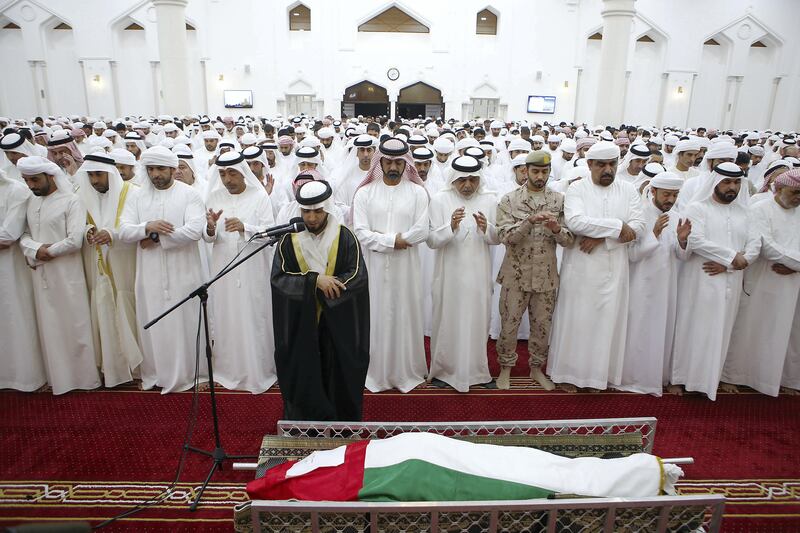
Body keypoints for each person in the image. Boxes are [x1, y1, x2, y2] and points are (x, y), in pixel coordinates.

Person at [548, 141, 645, 392]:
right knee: (577, 321)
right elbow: (577, 222)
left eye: (612, 164)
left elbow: (638, 228)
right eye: (601, 165)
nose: (607, 170)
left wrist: (604, 236)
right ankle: (568, 375)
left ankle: (598, 379)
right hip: (582, 267)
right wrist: (617, 227)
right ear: (589, 164)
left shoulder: (629, 190)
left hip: (614, 268)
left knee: (606, 323)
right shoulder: (578, 188)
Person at [271, 180, 369, 420]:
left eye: (317, 211)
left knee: (339, 377)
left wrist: (331, 287)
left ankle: (341, 424)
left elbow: (357, 276)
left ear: (327, 208)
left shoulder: (345, 237)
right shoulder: (287, 240)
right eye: (306, 211)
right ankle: (303, 423)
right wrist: (315, 281)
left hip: (337, 324)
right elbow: (279, 279)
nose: (312, 217)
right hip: (301, 325)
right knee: (302, 375)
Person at [118, 146, 208, 393]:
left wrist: (156, 238)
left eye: (160, 169)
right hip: (149, 274)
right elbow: (124, 231)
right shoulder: (137, 197)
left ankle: (189, 373)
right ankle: (157, 373)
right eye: (151, 169)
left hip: (184, 271)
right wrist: (148, 226)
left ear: (173, 169)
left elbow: (194, 231)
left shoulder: (190, 194)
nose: (156, 174)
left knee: (183, 322)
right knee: (154, 321)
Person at [671, 163, 761, 400]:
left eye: (736, 183)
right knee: (696, 330)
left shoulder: (746, 212)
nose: (732, 187)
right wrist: (732, 256)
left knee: (722, 331)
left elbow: (755, 244)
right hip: (702, 279)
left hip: (731, 279)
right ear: (715, 182)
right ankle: (685, 379)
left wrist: (732, 264)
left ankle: (710, 380)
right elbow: (697, 241)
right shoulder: (697, 208)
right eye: (727, 182)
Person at [18, 156, 101, 394]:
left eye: (35, 180)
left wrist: (47, 252)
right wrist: (35, 251)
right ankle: (59, 379)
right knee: (50, 327)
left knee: (74, 325)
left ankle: (84, 380)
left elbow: (75, 240)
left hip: (67, 273)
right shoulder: (31, 202)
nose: (32, 186)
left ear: (50, 176)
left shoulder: (72, 201)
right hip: (40, 272)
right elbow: (23, 234)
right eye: (27, 181)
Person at [352, 138, 429, 392]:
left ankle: (406, 372)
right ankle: (376, 373)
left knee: (405, 315)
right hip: (374, 269)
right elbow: (360, 232)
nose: (393, 166)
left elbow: (422, 230)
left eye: (398, 162)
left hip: (406, 270)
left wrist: (399, 240)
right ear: (380, 162)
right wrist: (392, 241)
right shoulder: (364, 193)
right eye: (388, 161)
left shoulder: (418, 192)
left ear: (406, 163)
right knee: (376, 315)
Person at [495, 151, 574, 390]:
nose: (540, 176)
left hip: (546, 276)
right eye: (535, 171)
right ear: (525, 171)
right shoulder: (509, 200)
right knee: (509, 323)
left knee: (542, 325)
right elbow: (505, 237)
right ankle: (505, 369)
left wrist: (555, 228)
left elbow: (569, 240)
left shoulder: (559, 201)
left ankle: (536, 369)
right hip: (515, 275)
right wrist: (528, 222)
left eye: (545, 171)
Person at [203, 151, 277, 393]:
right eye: (222, 174)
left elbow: (271, 233)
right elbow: (207, 237)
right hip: (223, 269)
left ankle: (259, 371)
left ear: (243, 172)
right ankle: (228, 371)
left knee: (254, 316)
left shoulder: (259, 196)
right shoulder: (213, 196)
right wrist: (211, 228)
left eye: (232, 172)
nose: (227, 179)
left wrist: (246, 227)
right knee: (226, 316)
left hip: (252, 268)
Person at [722, 169, 800, 396]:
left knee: (784, 332)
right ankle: (733, 376)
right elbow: (768, 247)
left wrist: (795, 266)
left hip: (791, 284)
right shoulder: (760, 209)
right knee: (749, 328)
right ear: (778, 188)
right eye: (794, 192)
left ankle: (779, 379)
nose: (797, 198)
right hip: (761, 280)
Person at [426, 156, 499, 392]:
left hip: (478, 275)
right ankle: (443, 371)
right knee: (448, 320)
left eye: (472, 180)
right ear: (453, 180)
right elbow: (432, 241)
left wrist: (487, 227)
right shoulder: (439, 200)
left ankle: (477, 371)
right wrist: (451, 227)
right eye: (462, 180)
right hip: (449, 277)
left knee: (478, 321)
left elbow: (498, 238)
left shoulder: (489, 199)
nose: (467, 185)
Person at [619, 173, 691, 396]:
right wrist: (654, 234)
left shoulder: (678, 216)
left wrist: (682, 240)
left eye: (674, 195)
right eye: (666, 194)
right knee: (638, 330)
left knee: (663, 330)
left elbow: (681, 256)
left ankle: (658, 377)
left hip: (667, 287)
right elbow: (631, 255)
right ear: (653, 192)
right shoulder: (638, 216)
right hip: (640, 285)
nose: (670, 199)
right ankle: (634, 378)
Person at [75, 153, 143, 387]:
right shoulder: (81, 196)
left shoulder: (133, 193)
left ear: (110, 174)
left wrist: (113, 234)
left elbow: (139, 226)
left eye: (99, 174)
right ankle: (112, 369)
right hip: (98, 265)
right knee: (104, 310)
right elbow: (75, 225)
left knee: (129, 309)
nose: (95, 180)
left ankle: (137, 369)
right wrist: (87, 232)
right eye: (91, 175)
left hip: (126, 263)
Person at [0, 167, 45, 391]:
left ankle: (23, 378)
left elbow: (8, 235)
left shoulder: (16, 191)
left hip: (10, 268)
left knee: (13, 316)